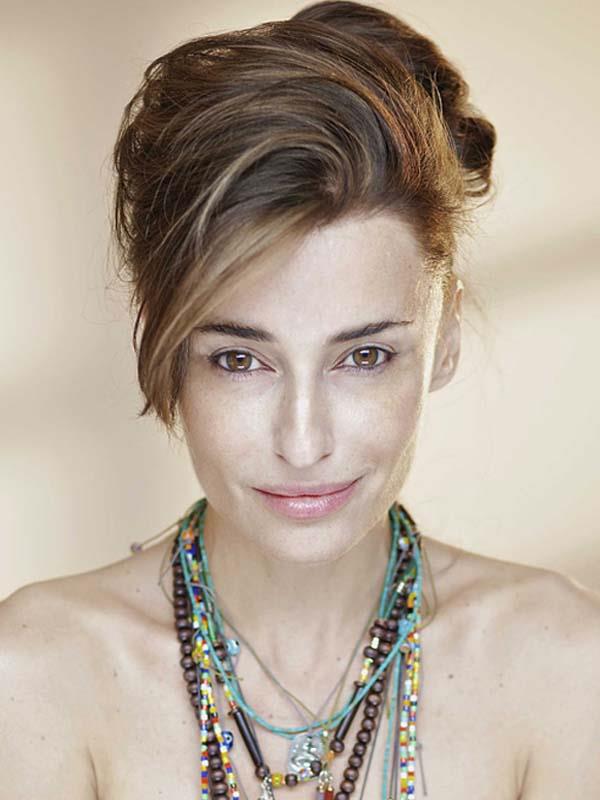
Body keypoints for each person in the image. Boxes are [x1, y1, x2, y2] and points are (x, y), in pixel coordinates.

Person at [1, 2, 599, 798]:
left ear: (446, 333)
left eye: (364, 356)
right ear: (162, 343)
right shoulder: (36, 673)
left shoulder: (563, 665)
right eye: (240, 359)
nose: (304, 441)